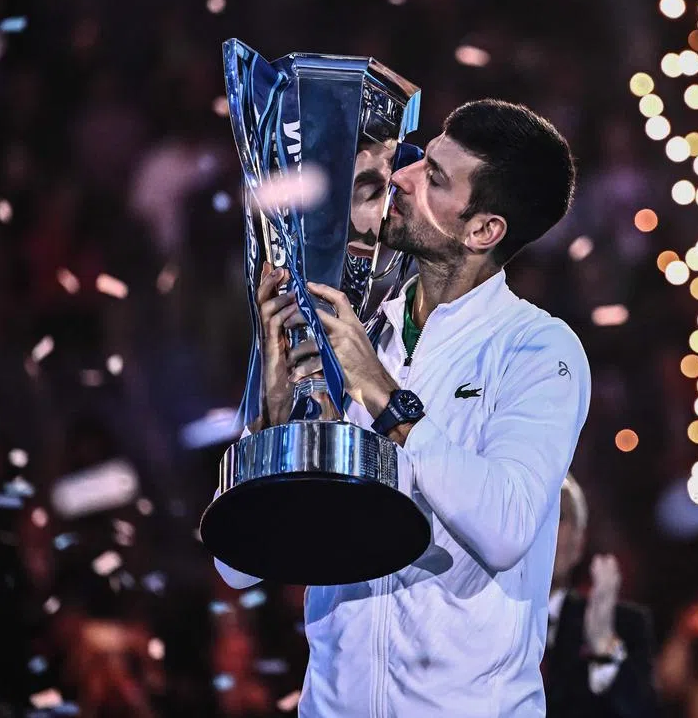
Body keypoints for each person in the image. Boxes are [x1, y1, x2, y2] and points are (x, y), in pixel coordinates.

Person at [214, 99, 591, 717]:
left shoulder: (538, 350)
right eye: (421, 162)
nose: (401, 178)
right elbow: (238, 567)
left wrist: (385, 395)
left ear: (482, 231)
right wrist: (271, 425)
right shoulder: (352, 328)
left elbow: (505, 527)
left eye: (435, 179)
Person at [543, 475, 657, 718]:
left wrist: (604, 643)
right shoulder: (477, 617)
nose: (544, 530)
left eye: (558, 517)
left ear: (579, 542)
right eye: (537, 517)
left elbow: (641, 712)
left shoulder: (625, 625)